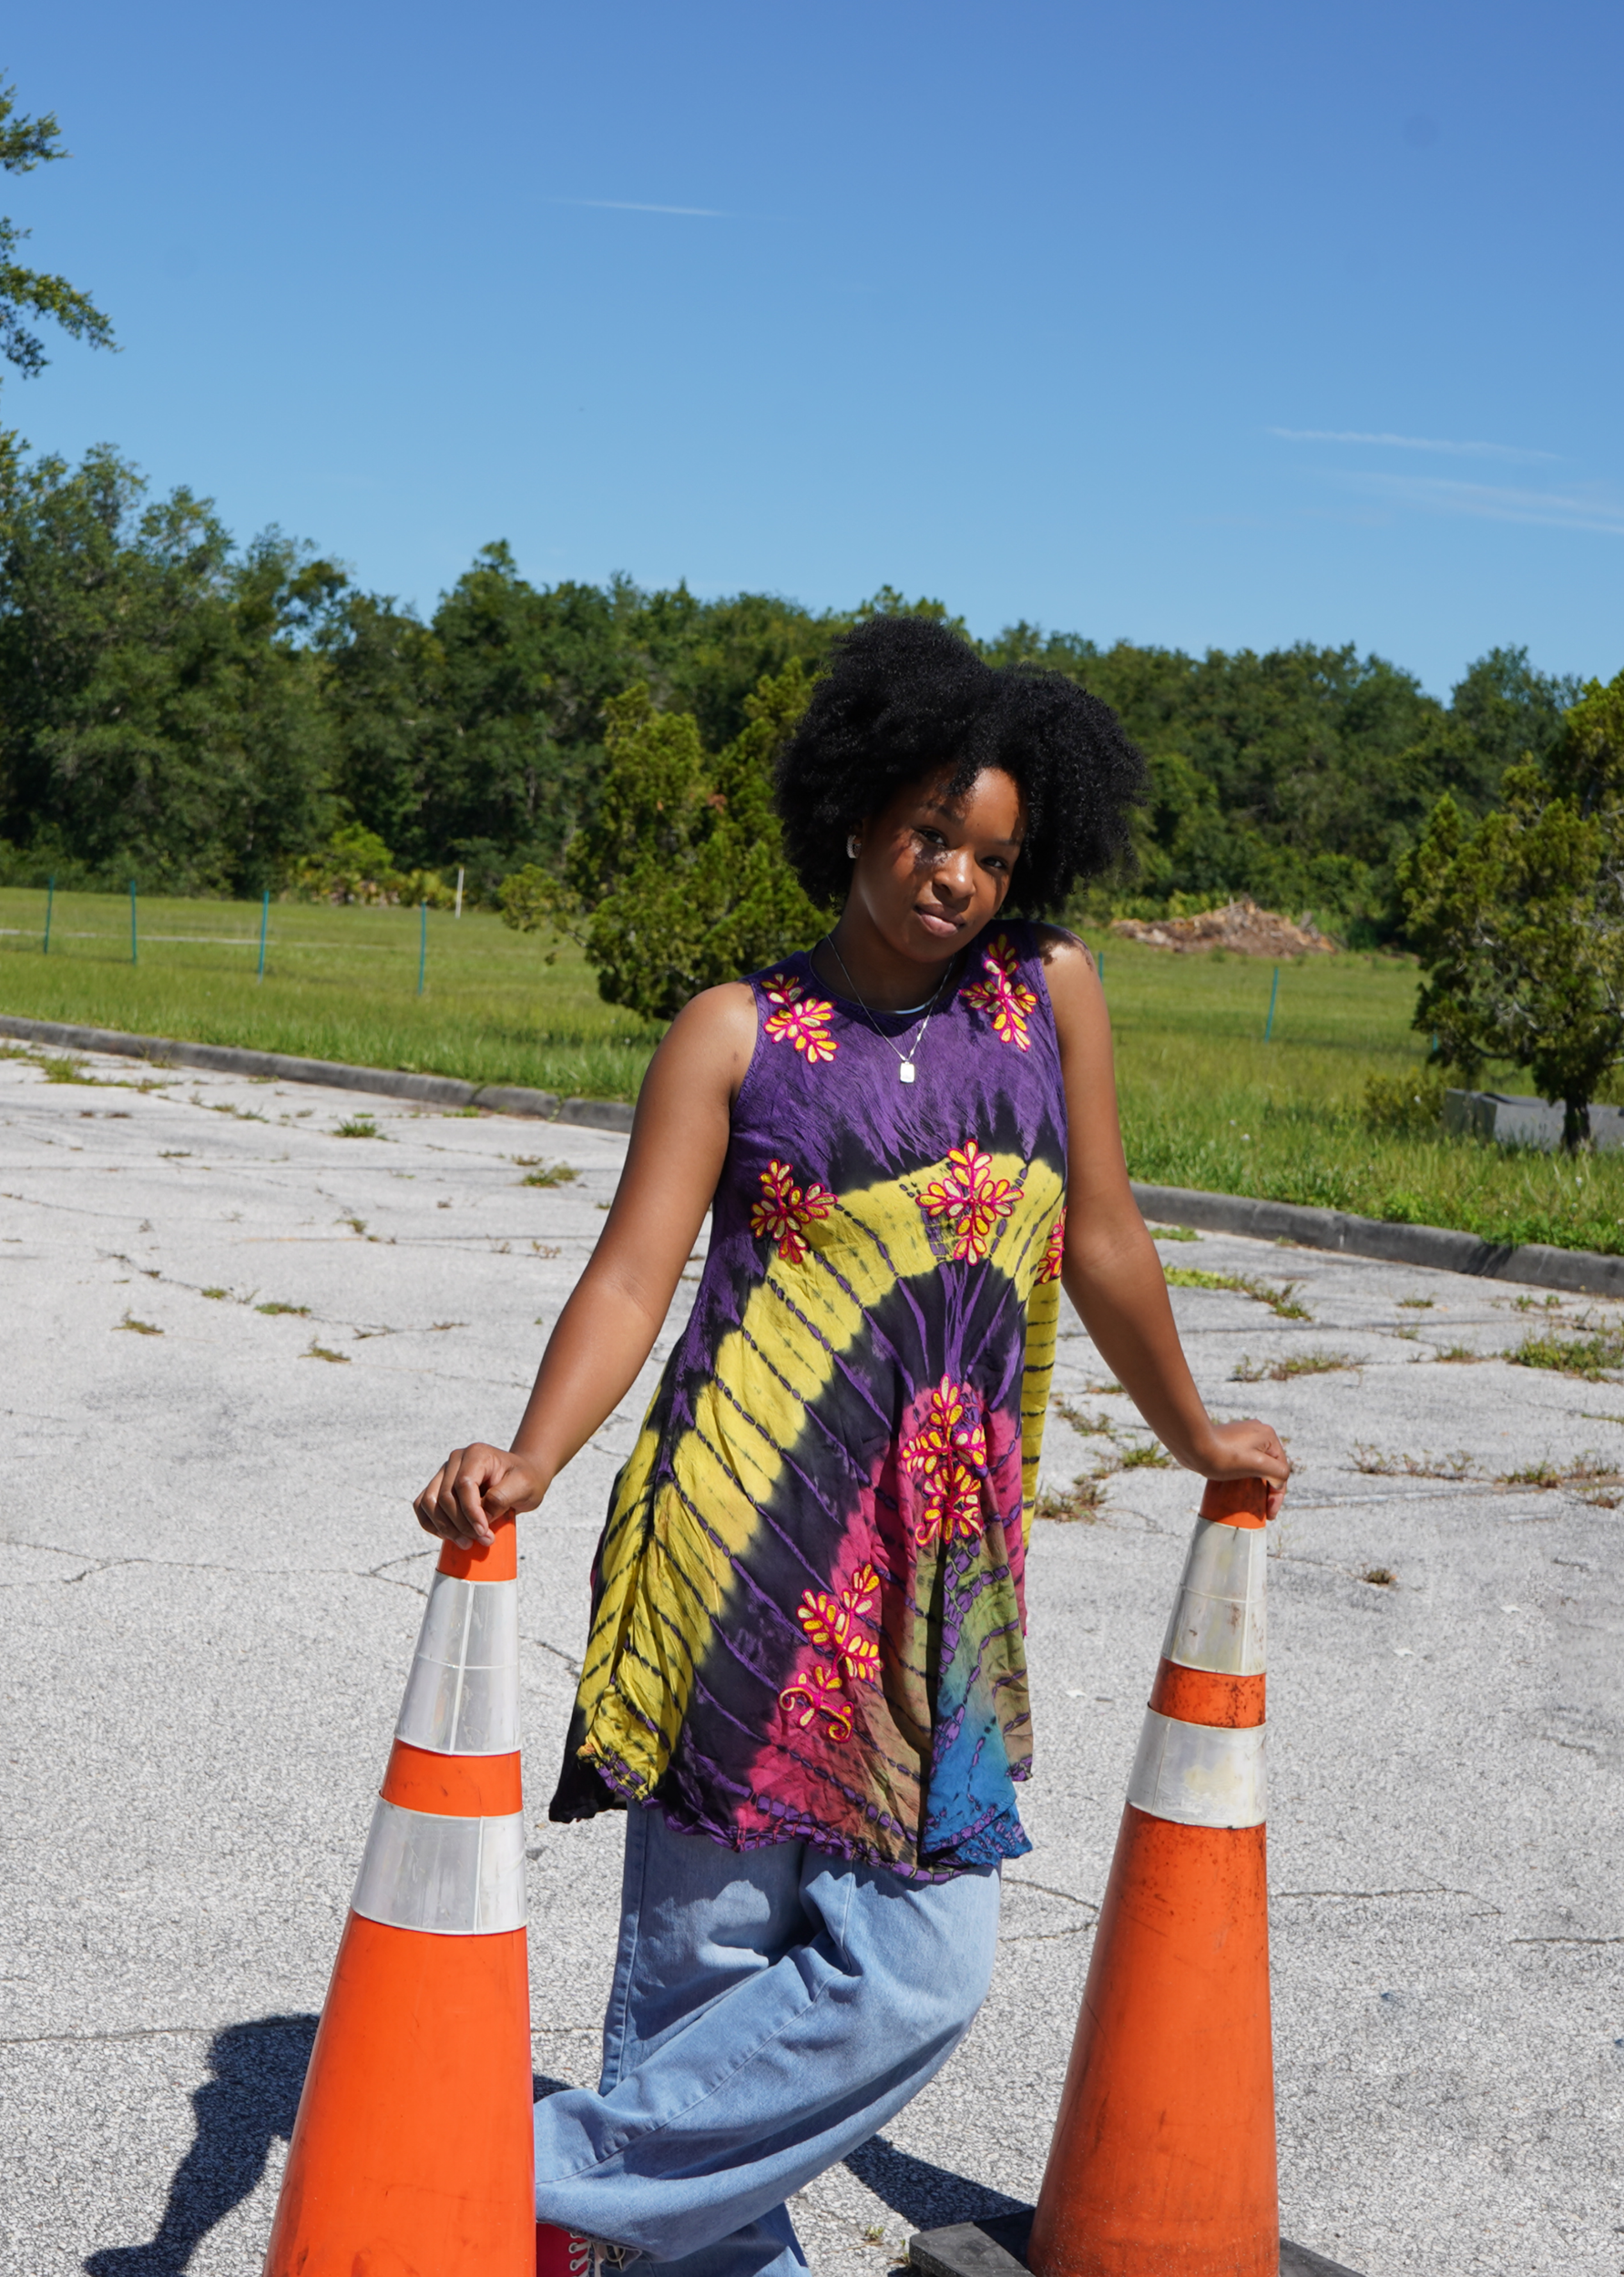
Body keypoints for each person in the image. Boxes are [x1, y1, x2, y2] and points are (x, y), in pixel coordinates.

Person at [413, 615, 1291, 2277]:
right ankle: (626, 2223)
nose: (955, 877)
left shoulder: (1053, 998)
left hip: (941, 1574)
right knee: (709, 1983)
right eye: (929, 835)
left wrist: (1194, 1432)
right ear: (856, 816)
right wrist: (530, 1454)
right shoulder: (735, 1034)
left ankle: (501, 2171)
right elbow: (630, 1275)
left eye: (990, 855)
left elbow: (1103, 1235)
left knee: (923, 1969)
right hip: (732, 1554)